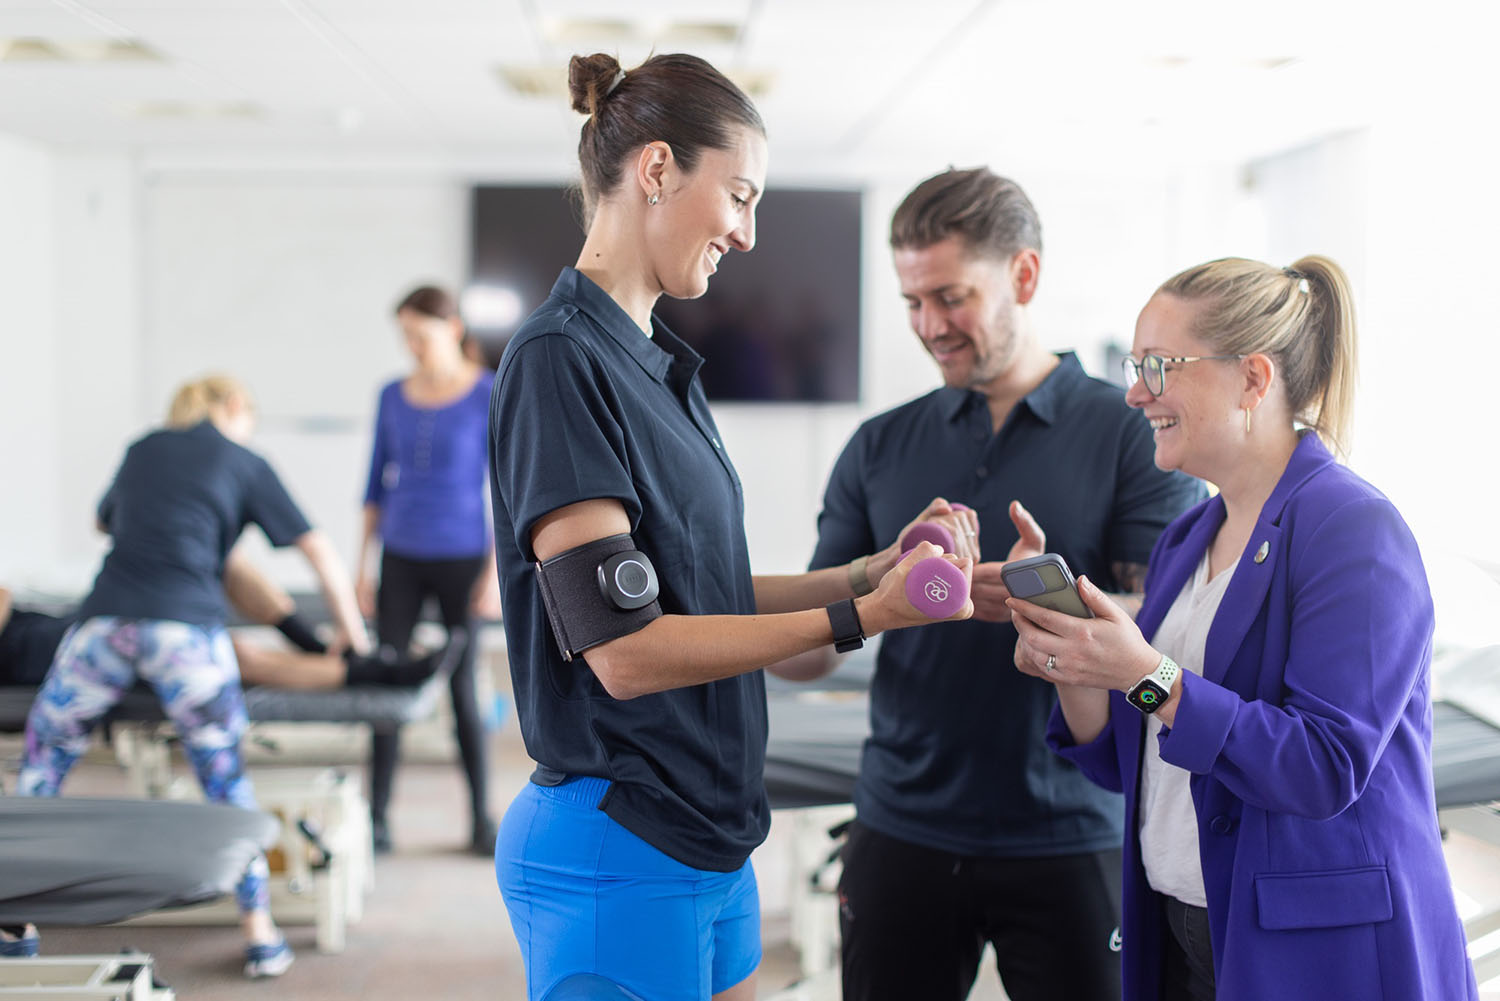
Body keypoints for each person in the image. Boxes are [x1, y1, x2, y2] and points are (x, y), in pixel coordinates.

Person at [488, 52, 975, 1001]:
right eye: (741, 197)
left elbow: (703, 595)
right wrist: (864, 620)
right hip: (618, 839)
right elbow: (623, 652)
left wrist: (866, 572)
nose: (749, 235)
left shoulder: (663, 364)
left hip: (715, 830)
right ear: (658, 169)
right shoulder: (559, 362)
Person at [783, 167, 1204, 1001]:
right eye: (912, 303)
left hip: (1074, 830)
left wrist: (1042, 600)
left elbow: (1168, 634)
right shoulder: (879, 446)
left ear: (1023, 275)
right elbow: (800, 657)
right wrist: (879, 597)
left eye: (950, 297)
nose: (929, 326)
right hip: (902, 824)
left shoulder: (1133, 435)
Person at [1008, 256, 1479, 1000]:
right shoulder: (1188, 536)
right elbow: (1140, 760)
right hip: (1184, 923)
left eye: (1159, 366)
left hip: (1318, 949)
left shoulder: (1355, 529)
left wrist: (1145, 673)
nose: (1135, 392)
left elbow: (1324, 765)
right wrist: (1077, 662)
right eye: (1137, 366)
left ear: (1254, 378)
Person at [17, 374, 370, 979]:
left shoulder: (143, 447)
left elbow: (107, 523)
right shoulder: (245, 459)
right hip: (183, 634)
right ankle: (260, 933)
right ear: (235, 406)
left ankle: (11, 927)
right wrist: (355, 640)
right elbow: (319, 552)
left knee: (41, 765)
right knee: (224, 781)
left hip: (103, 626)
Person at [356, 284, 500, 856]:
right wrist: (360, 569)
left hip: (465, 557)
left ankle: (479, 819)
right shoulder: (390, 395)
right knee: (384, 683)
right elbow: (373, 486)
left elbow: (508, 491)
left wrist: (496, 574)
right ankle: (378, 818)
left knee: (463, 689)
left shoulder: (487, 393)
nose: (412, 347)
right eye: (405, 337)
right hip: (400, 555)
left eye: (421, 335)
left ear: (454, 329)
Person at [1, 561, 449, 692]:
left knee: (223, 566)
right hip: (91, 664)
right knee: (233, 654)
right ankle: (378, 674)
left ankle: (317, 646)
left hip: (93, 625)